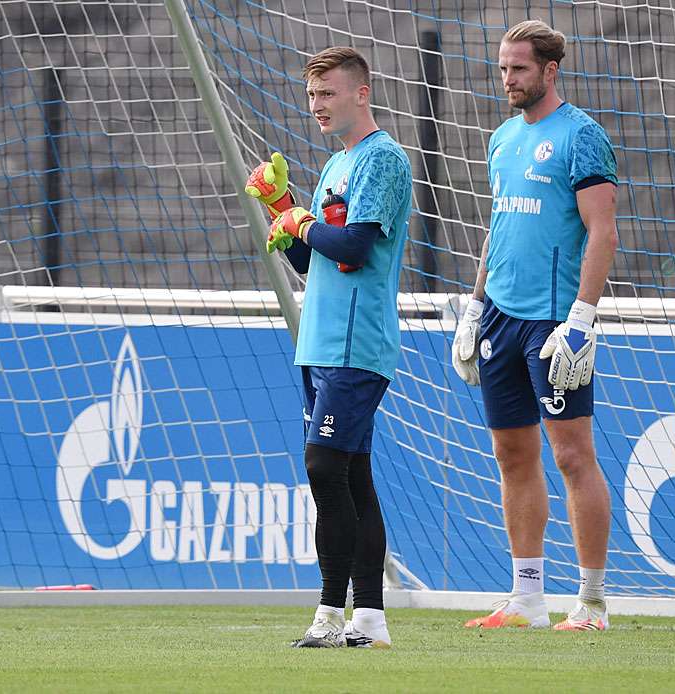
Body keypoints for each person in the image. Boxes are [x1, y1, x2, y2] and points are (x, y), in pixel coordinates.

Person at [452, 20, 619, 631]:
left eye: (518, 68)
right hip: (500, 313)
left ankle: (592, 603)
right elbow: (499, 229)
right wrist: (474, 305)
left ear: (550, 70)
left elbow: (603, 230)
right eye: (502, 68)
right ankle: (526, 598)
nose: (507, 79)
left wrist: (583, 317)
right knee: (511, 453)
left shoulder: (582, 137)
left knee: (573, 455)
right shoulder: (500, 139)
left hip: (555, 321)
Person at [245, 47, 412, 648]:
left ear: (361, 93)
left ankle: (329, 615)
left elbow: (355, 248)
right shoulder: (338, 166)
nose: (316, 105)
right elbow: (312, 261)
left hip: (356, 343)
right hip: (319, 342)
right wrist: (281, 209)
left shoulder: (383, 159)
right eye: (312, 95)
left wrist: (302, 223)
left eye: (328, 93)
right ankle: (368, 620)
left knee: (323, 467)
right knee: (350, 475)